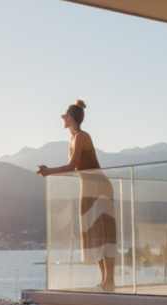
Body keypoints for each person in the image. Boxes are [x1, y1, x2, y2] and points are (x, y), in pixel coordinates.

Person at [37, 99, 117, 291]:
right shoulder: (72, 138)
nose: (62, 118)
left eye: (65, 115)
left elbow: (72, 165)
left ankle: (110, 281)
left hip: (99, 186)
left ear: (71, 118)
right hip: (88, 186)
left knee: (104, 233)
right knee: (92, 232)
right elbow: (74, 168)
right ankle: (105, 280)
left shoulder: (81, 136)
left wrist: (49, 172)